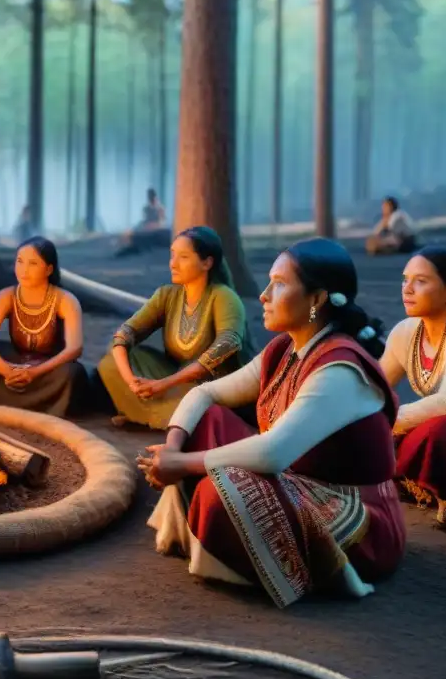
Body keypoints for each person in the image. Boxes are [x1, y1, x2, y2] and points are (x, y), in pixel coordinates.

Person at [139, 238, 404, 608]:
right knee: (206, 421)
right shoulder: (285, 348)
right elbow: (205, 394)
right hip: (297, 479)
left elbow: (272, 453)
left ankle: (270, 566)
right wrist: (171, 447)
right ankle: (221, 543)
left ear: (315, 300)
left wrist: (179, 464)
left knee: (217, 498)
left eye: (279, 284)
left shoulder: (341, 368)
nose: (264, 295)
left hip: (358, 517)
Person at [97, 227, 252, 430]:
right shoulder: (166, 295)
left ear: (207, 262)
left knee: (196, 400)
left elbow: (226, 345)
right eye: (172, 255)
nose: (173, 264)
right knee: (111, 363)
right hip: (175, 380)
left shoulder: (224, 297)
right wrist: (133, 382)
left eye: (184, 257)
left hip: (211, 387)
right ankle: (159, 417)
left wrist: (162, 385)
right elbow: (126, 333)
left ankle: (150, 416)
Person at [0, 237, 86, 417]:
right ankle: (7, 400)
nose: (24, 270)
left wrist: (34, 373)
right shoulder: (6, 296)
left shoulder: (65, 300)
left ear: (49, 269)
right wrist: (7, 371)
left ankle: (45, 407)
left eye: (33, 263)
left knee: (71, 372)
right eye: (20, 262)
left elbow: (75, 348)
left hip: (49, 369)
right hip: (16, 363)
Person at [380, 245, 446, 530]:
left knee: (438, 430)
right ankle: (420, 482)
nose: (407, 289)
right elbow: (373, 389)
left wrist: (385, 422)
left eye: (421, 281)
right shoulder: (406, 332)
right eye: (405, 279)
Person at [115, 189, 170, 257]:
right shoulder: (146, 208)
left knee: (137, 236)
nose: (150, 199)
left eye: (152, 197)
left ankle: (128, 245)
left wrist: (152, 225)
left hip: (154, 229)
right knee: (129, 231)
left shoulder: (160, 208)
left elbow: (162, 223)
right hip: (145, 226)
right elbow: (145, 219)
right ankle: (121, 244)